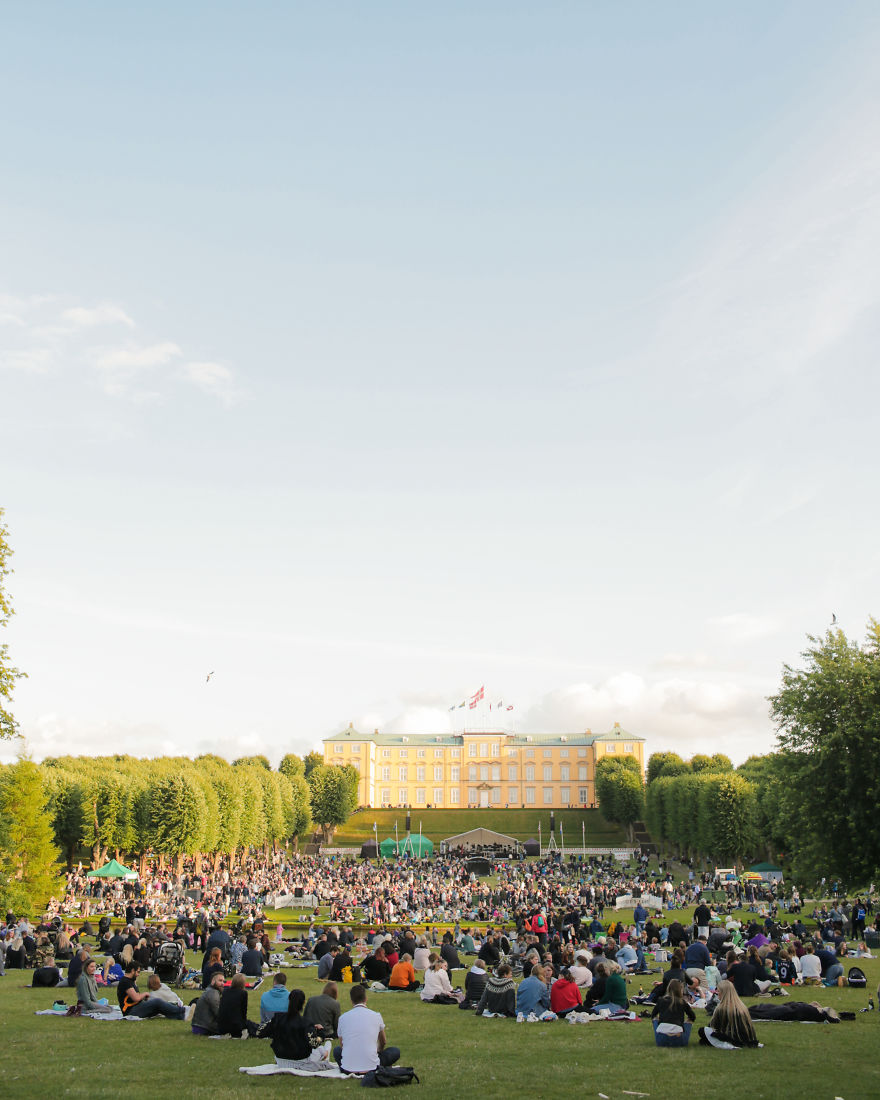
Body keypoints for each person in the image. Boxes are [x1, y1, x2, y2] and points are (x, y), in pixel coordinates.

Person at [334, 984, 400, 1075]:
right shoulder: (376, 1016)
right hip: (372, 1066)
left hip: (348, 1067)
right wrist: (378, 1051)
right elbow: (383, 1041)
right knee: (394, 1051)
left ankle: (352, 1063)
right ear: (366, 998)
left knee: (337, 1051)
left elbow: (342, 1045)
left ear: (351, 1001)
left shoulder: (343, 1018)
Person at [699, 980, 760, 1048]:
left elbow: (714, 1026)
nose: (717, 993)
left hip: (732, 1038)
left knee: (702, 1031)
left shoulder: (722, 1008)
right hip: (745, 1038)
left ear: (723, 992)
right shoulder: (742, 1007)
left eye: (718, 991)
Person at [117, 962, 188, 1020]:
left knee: (161, 1007)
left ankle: (182, 1016)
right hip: (131, 1011)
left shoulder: (130, 981)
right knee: (157, 1002)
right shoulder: (125, 982)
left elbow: (134, 997)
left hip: (137, 1007)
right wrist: (145, 994)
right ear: (132, 971)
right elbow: (136, 998)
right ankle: (184, 1011)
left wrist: (144, 998)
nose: (138, 975)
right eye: (138, 972)